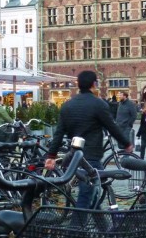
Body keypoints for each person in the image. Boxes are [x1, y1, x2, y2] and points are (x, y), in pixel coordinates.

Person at [44, 70, 133, 208]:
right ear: (93, 84)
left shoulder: (67, 105)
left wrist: (51, 155)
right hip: (90, 158)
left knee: (93, 195)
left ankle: (100, 225)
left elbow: (59, 132)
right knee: (86, 197)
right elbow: (112, 127)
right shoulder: (98, 104)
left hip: (73, 156)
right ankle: (76, 227)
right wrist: (126, 143)